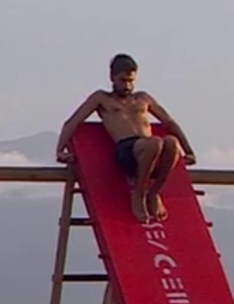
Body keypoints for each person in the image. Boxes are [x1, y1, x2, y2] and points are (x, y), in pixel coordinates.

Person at [54, 53, 196, 222]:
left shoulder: (143, 98)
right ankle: (138, 195)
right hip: (127, 151)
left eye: (131, 81)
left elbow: (169, 122)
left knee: (171, 142)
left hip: (151, 153)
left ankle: (154, 192)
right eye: (123, 80)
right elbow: (72, 122)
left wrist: (189, 151)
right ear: (112, 78)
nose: (128, 85)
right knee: (155, 143)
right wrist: (60, 150)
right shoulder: (102, 98)